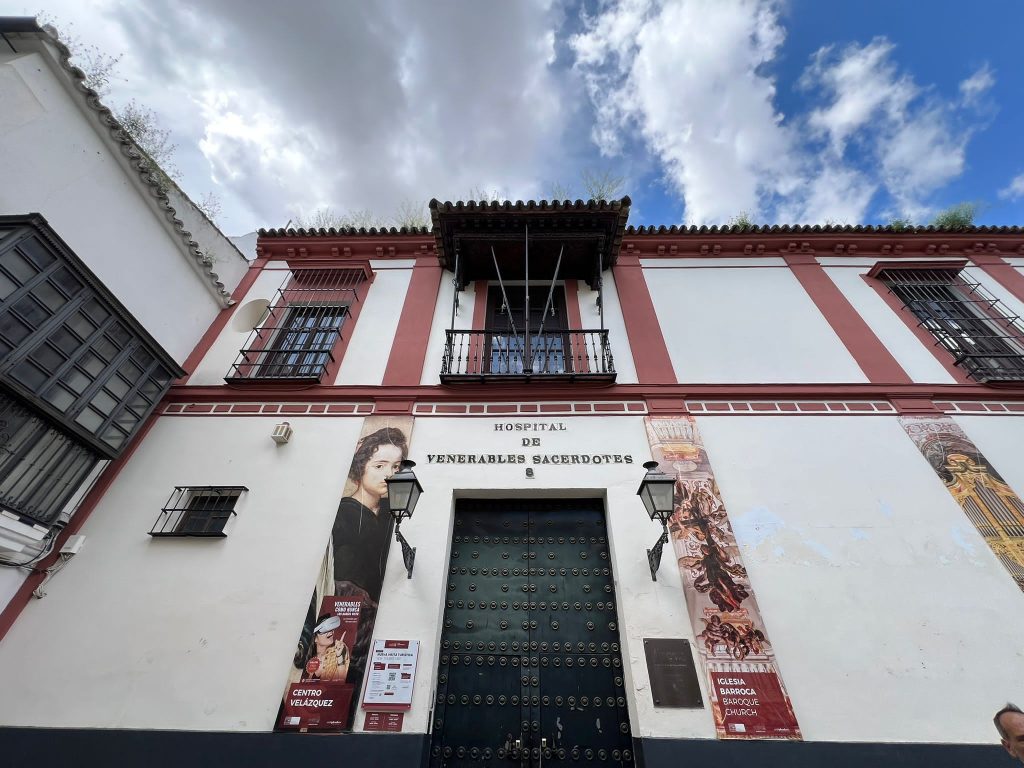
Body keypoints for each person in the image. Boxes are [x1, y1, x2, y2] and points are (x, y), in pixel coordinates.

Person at [331, 426, 409, 604]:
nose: (389, 474)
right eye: (380, 466)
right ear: (361, 467)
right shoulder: (344, 514)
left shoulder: (393, 511)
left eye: (396, 467)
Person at [304, 614, 350, 682]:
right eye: (325, 630)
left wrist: (340, 657)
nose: (331, 632)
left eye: (331, 628)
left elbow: (341, 682)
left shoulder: (340, 649)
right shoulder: (307, 659)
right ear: (315, 639)